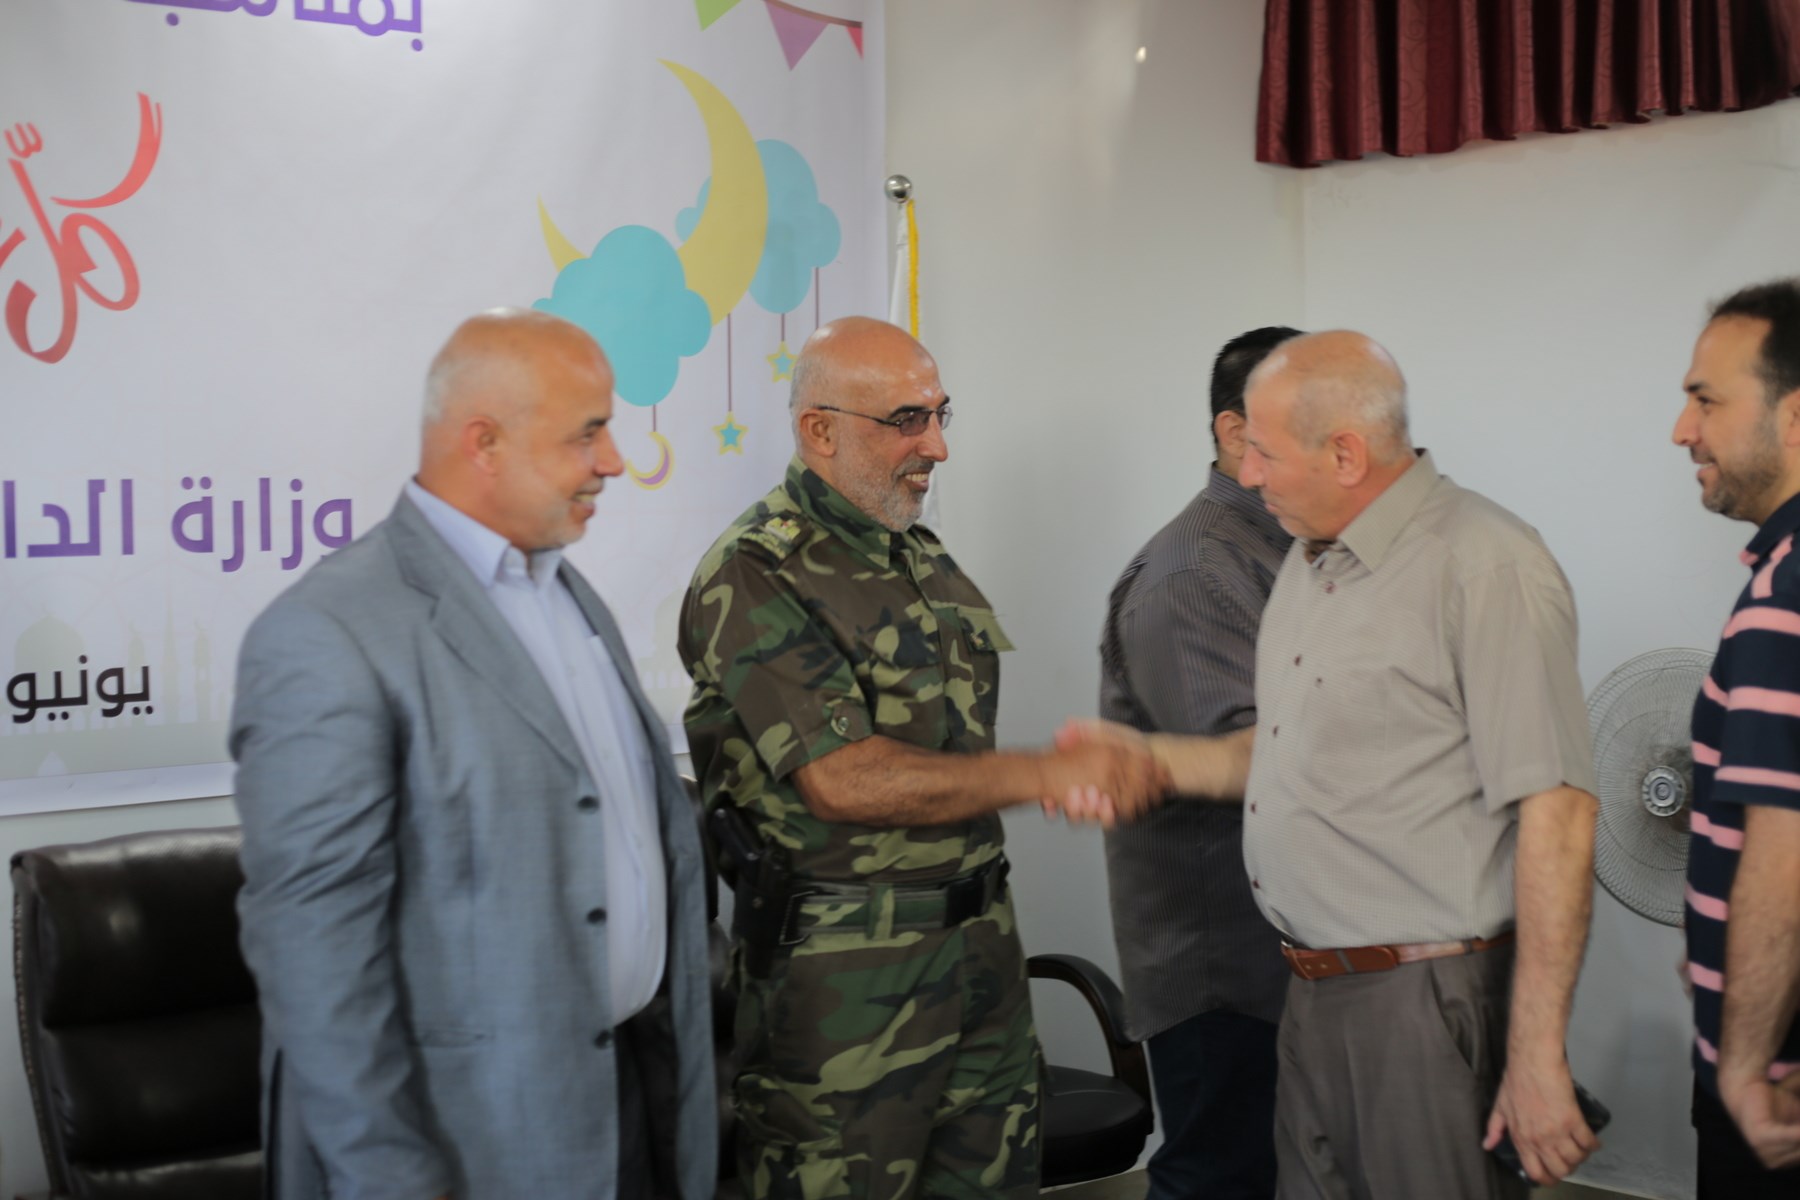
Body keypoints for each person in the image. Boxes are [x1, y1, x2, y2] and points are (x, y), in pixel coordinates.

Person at [1063, 330, 1601, 1197]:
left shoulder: (1483, 563)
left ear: (1346, 454)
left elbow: (1561, 813)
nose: (1247, 475)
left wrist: (1538, 1055)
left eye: (1267, 454)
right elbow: (1281, 757)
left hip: (1420, 996)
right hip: (1307, 991)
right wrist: (1147, 759)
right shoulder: (1311, 565)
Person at [231, 309, 716, 1200]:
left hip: (626, 1104)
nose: (614, 462)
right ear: (483, 442)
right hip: (464, 1142)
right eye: (587, 434)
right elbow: (314, 954)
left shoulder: (567, 594)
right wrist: (389, 1178)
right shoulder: (326, 633)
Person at [677, 315, 1164, 1200]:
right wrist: (1048, 773)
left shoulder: (918, 556)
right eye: (906, 420)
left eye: (940, 414)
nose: (936, 446)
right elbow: (844, 777)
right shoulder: (756, 572)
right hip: (845, 978)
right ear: (819, 430)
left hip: (980, 949)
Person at [1097, 325, 1301, 1200]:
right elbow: (1248, 762)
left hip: (1293, 953)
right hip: (1226, 968)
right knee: (1222, 1179)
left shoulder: (1292, 548)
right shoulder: (1196, 572)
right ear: (1234, 431)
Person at [1672, 279, 1800, 1195]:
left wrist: (1746, 1067)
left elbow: (1783, 846)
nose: (1682, 431)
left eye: (1707, 400)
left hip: (1773, 1092)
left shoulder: (1784, 597)